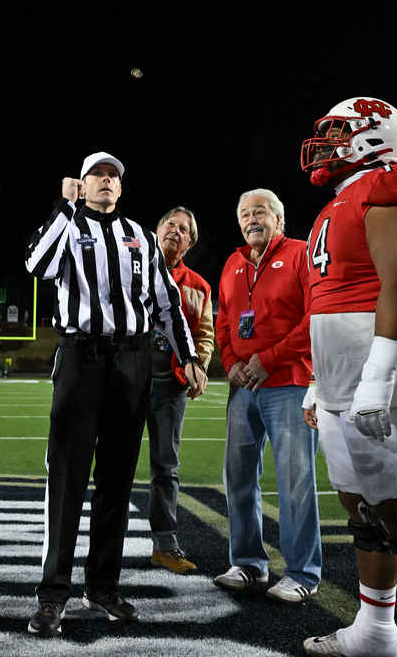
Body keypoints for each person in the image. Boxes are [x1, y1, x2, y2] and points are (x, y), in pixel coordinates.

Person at [299, 97, 397, 656]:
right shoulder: (341, 200)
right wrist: (323, 381)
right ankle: (374, 633)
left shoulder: (394, 184)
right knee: (365, 510)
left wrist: (376, 380)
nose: (325, 143)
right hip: (345, 379)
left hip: (396, 382)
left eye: (338, 132)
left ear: (374, 136)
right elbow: (330, 299)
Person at [23, 152, 204, 638]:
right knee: (67, 478)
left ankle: (102, 585)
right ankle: (53, 593)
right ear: (81, 185)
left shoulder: (142, 237)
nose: (105, 181)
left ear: (121, 188)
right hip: (81, 358)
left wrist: (188, 356)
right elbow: (36, 265)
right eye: (96, 176)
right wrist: (66, 208)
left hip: (133, 360)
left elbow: (165, 301)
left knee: (117, 481)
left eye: (112, 177)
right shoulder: (65, 225)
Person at [213, 189, 320, 603]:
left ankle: (302, 574)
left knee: (295, 482)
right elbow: (223, 320)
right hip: (243, 387)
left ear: (279, 217)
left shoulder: (301, 253)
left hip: (289, 382)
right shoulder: (232, 262)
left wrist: (270, 359)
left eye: (260, 211)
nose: (251, 219)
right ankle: (248, 564)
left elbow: (317, 316)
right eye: (244, 213)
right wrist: (231, 362)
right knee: (238, 478)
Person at [147, 207, 214, 574]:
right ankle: (103, 544)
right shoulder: (132, 269)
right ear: (156, 230)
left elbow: (204, 334)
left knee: (166, 467)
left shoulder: (199, 286)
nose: (175, 231)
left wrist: (198, 365)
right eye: (169, 224)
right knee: (114, 465)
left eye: (184, 229)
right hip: (127, 380)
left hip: (168, 386)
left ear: (189, 243)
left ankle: (165, 545)